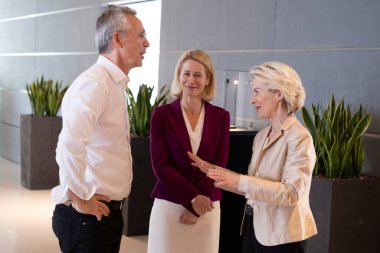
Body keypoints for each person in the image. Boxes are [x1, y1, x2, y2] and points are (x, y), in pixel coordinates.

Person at [188, 61, 317, 253]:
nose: (252, 99)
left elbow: (291, 194)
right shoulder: (261, 136)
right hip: (254, 229)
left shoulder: (300, 138)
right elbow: (252, 186)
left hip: (282, 238)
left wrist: (239, 180)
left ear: (278, 93)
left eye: (257, 91)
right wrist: (213, 171)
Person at [51, 6, 150, 253]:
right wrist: (78, 198)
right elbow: (69, 145)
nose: (146, 43)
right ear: (117, 38)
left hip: (106, 214)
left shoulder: (112, 83)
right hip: (87, 217)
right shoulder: (95, 84)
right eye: (140, 35)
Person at [147, 49, 230, 253]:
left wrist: (199, 203)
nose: (191, 80)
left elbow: (219, 165)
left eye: (198, 74)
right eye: (186, 73)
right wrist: (192, 199)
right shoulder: (162, 114)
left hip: (207, 206)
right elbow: (160, 165)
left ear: (208, 79)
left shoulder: (221, 116)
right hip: (170, 203)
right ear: (179, 76)